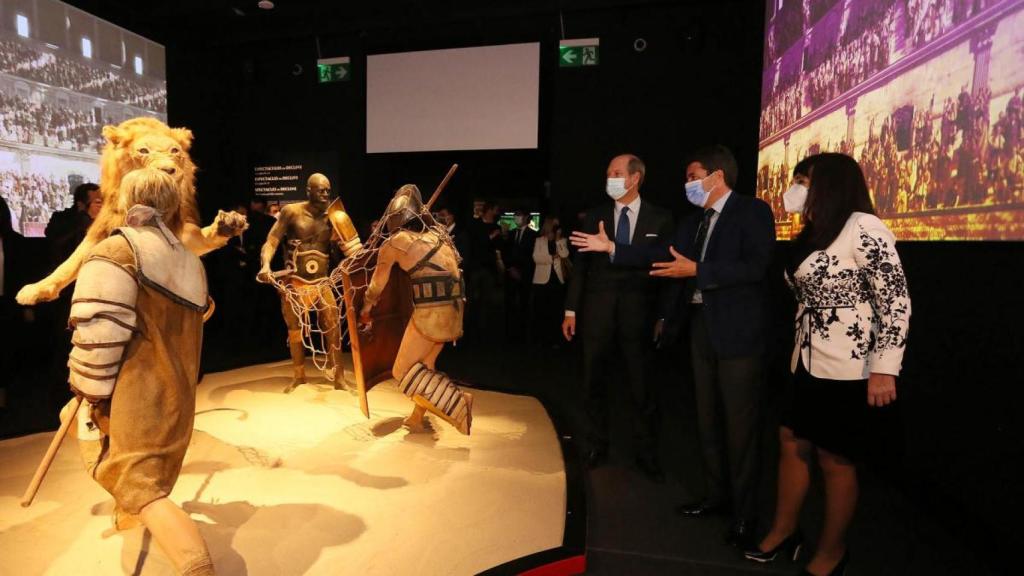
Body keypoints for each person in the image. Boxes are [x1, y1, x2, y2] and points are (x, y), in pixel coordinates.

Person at [571, 145, 775, 546]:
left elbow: (756, 265)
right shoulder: (695, 222)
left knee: (740, 429)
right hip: (700, 330)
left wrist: (699, 270)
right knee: (708, 422)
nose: (687, 184)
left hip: (737, 334)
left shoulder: (752, 212)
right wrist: (612, 248)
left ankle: (744, 515)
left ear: (716, 177)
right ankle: (716, 497)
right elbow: (658, 253)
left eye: (692, 176)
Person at [745, 153, 910, 576]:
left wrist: (885, 367)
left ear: (830, 184)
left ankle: (832, 550)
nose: (795, 187)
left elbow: (894, 300)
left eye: (803, 180)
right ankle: (784, 530)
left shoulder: (863, 227)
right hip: (805, 358)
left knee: (834, 458)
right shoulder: (813, 232)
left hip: (849, 365)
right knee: (790, 441)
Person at [65, 168, 216, 575]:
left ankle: (195, 564)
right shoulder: (188, 260)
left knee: (141, 485)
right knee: (141, 472)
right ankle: (129, 512)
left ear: (124, 199)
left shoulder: (118, 253)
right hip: (177, 396)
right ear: (173, 205)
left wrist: (88, 389)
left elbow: (98, 336)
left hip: (137, 398)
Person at [562, 153, 672, 478]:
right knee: (592, 381)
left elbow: (661, 260)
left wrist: (664, 316)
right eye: (608, 171)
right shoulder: (593, 216)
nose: (610, 176)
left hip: (640, 314)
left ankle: (646, 451)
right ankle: (597, 443)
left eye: (617, 172)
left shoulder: (661, 218)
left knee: (642, 387)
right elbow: (579, 269)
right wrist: (571, 309)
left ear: (635, 178)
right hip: (597, 313)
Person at [357, 184, 473, 434]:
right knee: (424, 365)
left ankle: (458, 402)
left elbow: (376, 286)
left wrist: (366, 308)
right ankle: (417, 417)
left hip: (430, 314)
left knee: (402, 371)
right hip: (454, 312)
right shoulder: (439, 236)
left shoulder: (397, 242)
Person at [257, 173, 362, 392]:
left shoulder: (335, 217)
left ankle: (339, 378)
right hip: (295, 281)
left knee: (333, 326)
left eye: (327, 190)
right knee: (294, 329)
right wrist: (266, 265)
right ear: (309, 190)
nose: (325, 194)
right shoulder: (291, 212)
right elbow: (271, 241)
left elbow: (355, 251)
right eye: (320, 189)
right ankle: (299, 375)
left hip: (322, 281)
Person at [531, 216, 570, 348]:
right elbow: (536, 258)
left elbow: (564, 255)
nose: (556, 228)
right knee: (541, 310)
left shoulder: (562, 240)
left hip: (557, 280)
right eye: (554, 225)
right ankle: (541, 339)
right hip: (541, 281)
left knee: (555, 311)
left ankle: (555, 339)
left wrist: (558, 241)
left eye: (557, 226)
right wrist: (551, 257)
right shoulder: (539, 240)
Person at [45, 182, 101, 266]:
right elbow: (53, 239)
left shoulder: (102, 222)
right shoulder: (61, 219)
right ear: (81, 205)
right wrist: (84, 219)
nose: (102, 206)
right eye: (98, 202)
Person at [503, 209, 537, 342]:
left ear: (526, 217)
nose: (517, 218)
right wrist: (510, 268)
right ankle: (509, 333)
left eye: (519, 215)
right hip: (511, 274)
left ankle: (523, 334)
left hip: (525, 275)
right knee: (510, 303)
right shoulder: (511, 234)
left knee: (524, 303)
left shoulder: (533, 235)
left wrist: (522, 272)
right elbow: (506, 253)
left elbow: (531, 256)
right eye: (515, 216)